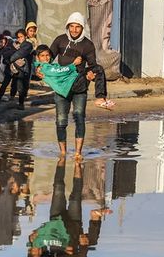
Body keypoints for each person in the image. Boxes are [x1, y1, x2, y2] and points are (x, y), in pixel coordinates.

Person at [47, 12, 114, 158]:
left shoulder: (88, 45)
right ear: (68, 26)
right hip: (61, 87)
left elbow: (92, 65)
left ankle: (78, 153)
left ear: (82, 28)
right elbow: (48, 58)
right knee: (61, 120)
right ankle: (63, 153)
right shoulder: (60, 40)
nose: (74, 30)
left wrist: (91, 75)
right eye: (72, 26)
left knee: (79, 117)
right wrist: (40, 68)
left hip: (79, 86)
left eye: (78, 27)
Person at [9, 29, 34, 110]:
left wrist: (11, 59)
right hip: (16, 67)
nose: (20, 38)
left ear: (25, 36)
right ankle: (12, 97)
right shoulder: (16, 45)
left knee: (21, 86)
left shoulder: (28, 45)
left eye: (21, 37)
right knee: (14, 83)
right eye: (18, 37)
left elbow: (19, 53)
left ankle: (21, 103)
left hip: (23, 69)